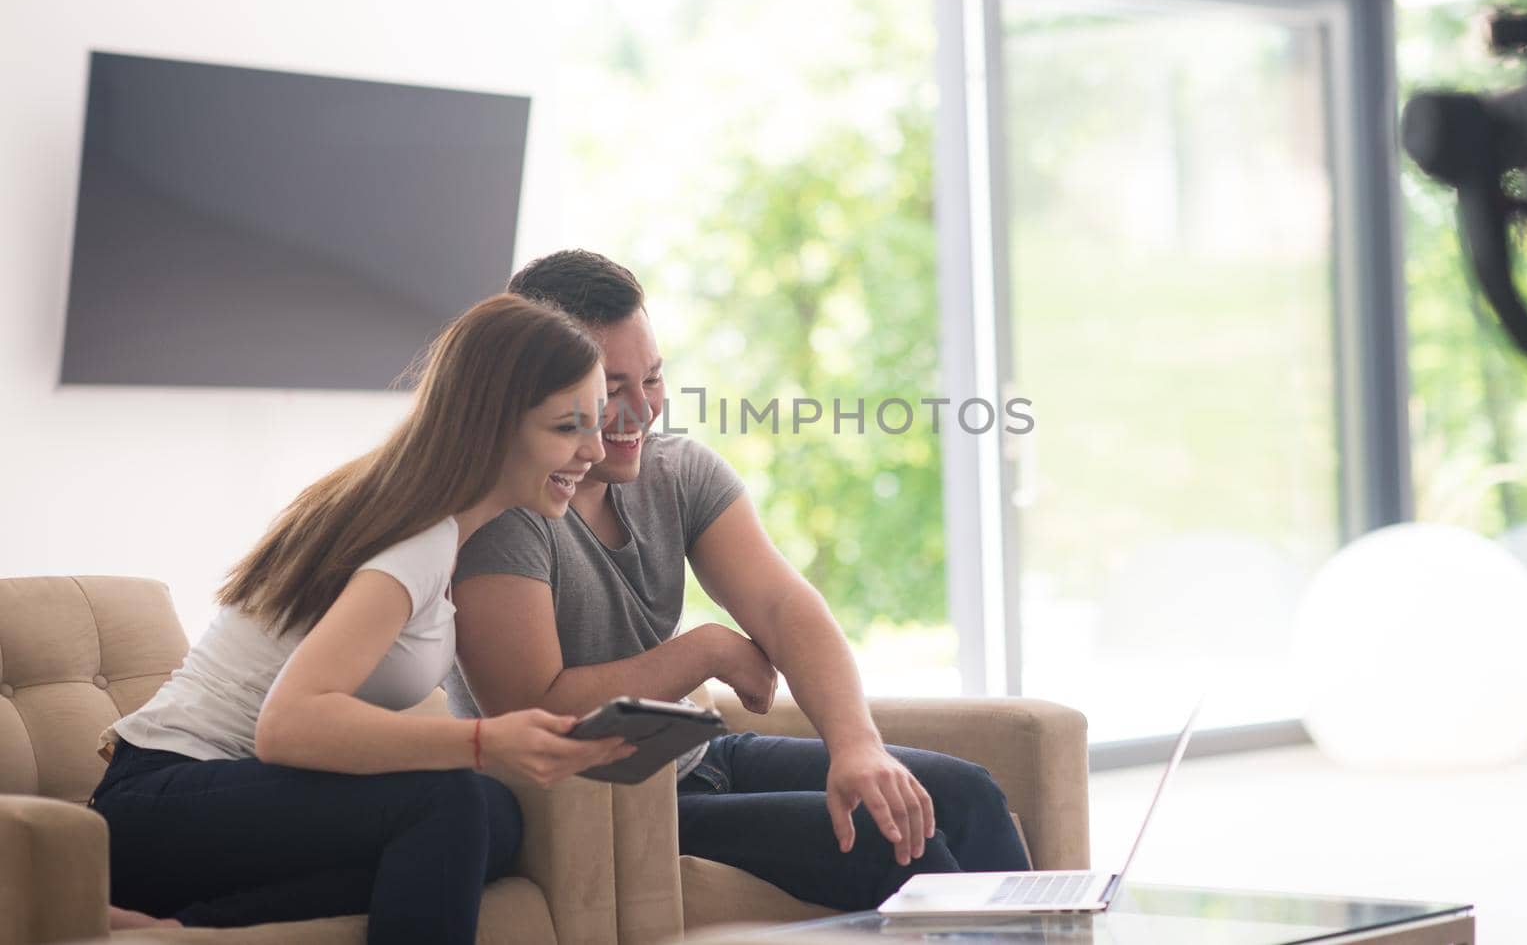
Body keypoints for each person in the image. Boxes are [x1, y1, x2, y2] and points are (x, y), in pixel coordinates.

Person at [445, 252, 1029, 913]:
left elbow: (783, 606)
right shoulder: (504, 516)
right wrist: (708, 650)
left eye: (654, 378)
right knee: (896, 841)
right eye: (611, 389)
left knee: (967, 794)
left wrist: (857, 747)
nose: (642, 410)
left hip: (701, 754)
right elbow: (538, 711)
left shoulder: (677, 474)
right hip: (603, 804)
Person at [91, 294, 633, 944]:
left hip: (207, 805)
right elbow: (289, 726)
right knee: (454, 799)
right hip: (159, 804)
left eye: (597, 424)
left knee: (494, 816)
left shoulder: (435, 523)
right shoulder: (419, 540)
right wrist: (484, 744)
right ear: (493, 422)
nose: (594, 451)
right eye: (568, 427)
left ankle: (185, 928)